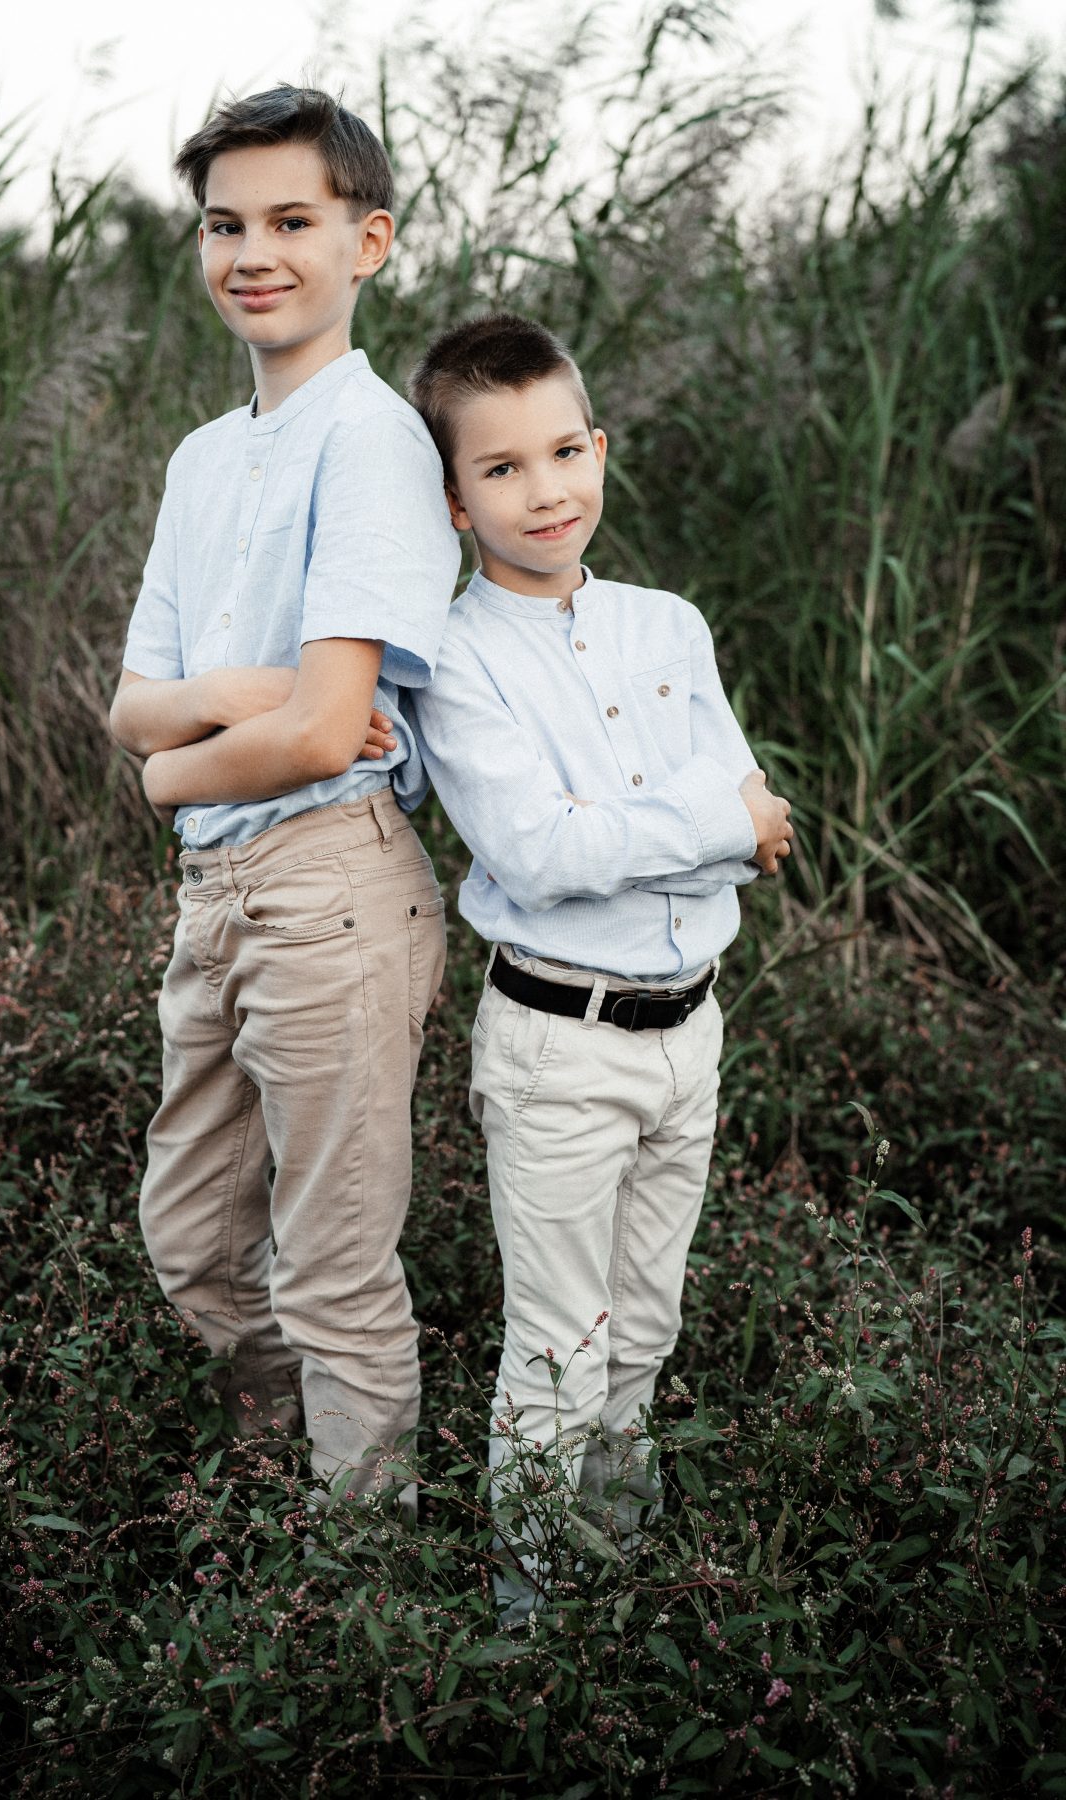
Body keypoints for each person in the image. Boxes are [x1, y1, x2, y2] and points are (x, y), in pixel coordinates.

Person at [405, 312, 793, 1617]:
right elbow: (541, 852)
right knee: (560, 1346)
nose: (546, 489)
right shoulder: (456, 658)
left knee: (647, 1322)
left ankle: (619, 1579)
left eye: (564, 451)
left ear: (600, 449)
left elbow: (757, 833)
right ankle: (529, 1624)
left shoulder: (667, 626)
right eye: (502, 468)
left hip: (690, 1030)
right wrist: (709, 821)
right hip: (559, 1045)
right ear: (454, 501)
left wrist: (694, 826)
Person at [108, 87, 460, 1508]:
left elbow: (320, 740)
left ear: (366, 242)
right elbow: (136, 697)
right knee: (194, 1242)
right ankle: (270, 1518)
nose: (253, 254)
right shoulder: (204, 458)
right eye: (224, 225)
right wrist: (248, 696)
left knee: (331, 1271)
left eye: (292, 221)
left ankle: (360, 1584)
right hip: (216, 895)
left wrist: (167, 768)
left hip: (331, 889)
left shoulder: (371, 440)